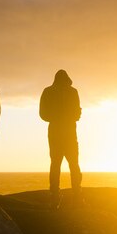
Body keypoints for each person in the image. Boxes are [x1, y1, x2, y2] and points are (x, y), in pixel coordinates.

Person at [39, 69, 83, 209]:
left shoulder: (49, 91)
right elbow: (77, 114)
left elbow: (43, 114)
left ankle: (55, 197)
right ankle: (76, 197)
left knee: (56, 164)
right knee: (73, 165)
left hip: (56, 132)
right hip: (68, 132)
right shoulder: (73, 92)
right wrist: (68, 116)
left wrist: (56, 117)